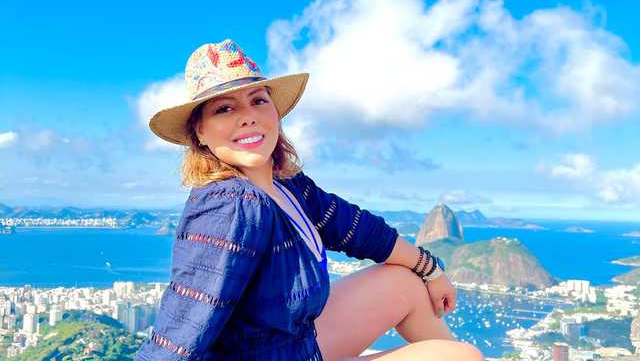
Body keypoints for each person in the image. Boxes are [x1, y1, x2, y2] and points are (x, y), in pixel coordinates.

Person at [134, 39, 483, 361]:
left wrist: (430, 269)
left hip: (294, 344)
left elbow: (357, 229)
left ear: (275, 113)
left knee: (404, 282)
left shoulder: (289, 187)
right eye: (224, 108)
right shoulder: (231, 205)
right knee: (462, 357)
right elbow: (182, 326)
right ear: (200, 131)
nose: (248, 115)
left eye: (258, 100)